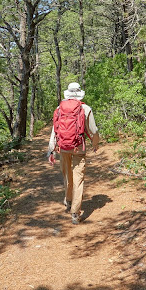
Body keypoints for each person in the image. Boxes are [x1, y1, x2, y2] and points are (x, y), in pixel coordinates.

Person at [47, 82, 100, 224]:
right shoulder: (86, 108)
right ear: (79, 94)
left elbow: (54, 130)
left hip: (63, 147)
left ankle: (68, 200)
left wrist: (51, 150)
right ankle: (75, 213)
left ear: (67, 94)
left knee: (66, 175)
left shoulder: (59, 109)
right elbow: (93, 130)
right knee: (78, 178)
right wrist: (95, 144)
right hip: (79, 148)